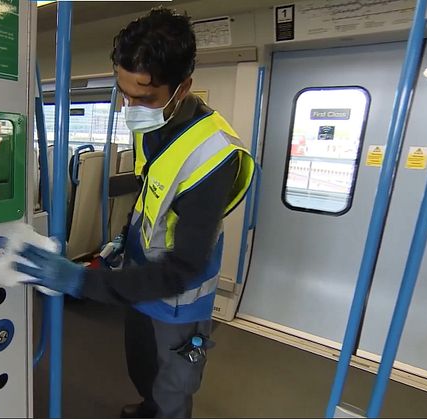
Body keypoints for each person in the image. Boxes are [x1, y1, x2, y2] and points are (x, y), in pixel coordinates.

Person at [14, 7, 254, 419]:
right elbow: (151, 194)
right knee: (142, 368)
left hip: (178, 301)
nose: (130, 106)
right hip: (140, 279)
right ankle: (148, 406)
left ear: (182, 88)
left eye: (143, 97)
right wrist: (124, 238)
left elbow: (183, 268)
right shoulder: (152, 128)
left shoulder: (214, 156)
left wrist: (80, 281)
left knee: (173, 387)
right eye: (124, 93)